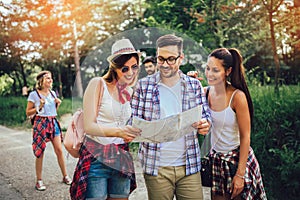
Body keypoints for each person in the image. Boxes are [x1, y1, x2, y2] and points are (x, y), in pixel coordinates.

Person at [130, 34, 211, 200]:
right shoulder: (143, 86)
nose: (165, 65)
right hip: (156, 166)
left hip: (189, 165)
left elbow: (206, 116)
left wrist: (205, 124)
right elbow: (133, 120)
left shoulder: (194, 85)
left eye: (171, 59)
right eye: (161, 59)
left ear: (181, 58)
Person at [70, 38, 142, 200]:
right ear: (115, 68)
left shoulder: (128, 92)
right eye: (125, 68)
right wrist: (119, 131)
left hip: (120, 156)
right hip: (97, 156)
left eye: (134, 67)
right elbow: (89, 126)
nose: (130, 72)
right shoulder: (98, 84)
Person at [204, 48, 267, 199]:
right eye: (207, 69)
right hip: (217, 161)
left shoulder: (237, 97)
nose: (209, 74)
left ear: (228, 71)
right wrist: (190, 81)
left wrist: (240, 175)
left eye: (215, 70)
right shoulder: (205, 93)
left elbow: (245, 137)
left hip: (237, 161)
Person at [25, 70, 72, 191]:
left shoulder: (52, 93)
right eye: (47, 78)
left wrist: (57, 104)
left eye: (51, 78)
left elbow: (51, 110)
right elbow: (28, 112)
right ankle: (39, 181)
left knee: (59, 150)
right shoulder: (34, 95)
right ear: (41, 81)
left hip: (53, 122)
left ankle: (65, 176)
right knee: (40, 152)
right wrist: (38, 107)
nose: (50, 80)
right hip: (40, 123)